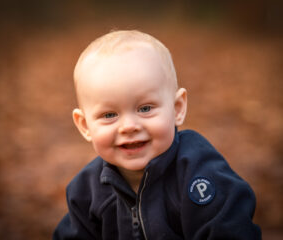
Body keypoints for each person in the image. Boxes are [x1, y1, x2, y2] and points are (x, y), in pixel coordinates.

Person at [53, 30, 261, 239]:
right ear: (85, 125)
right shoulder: (85, 192)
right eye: (109, 115)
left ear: (177, 108)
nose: (129, 126)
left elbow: (230, 229)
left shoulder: (198, 172)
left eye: (145, 109)